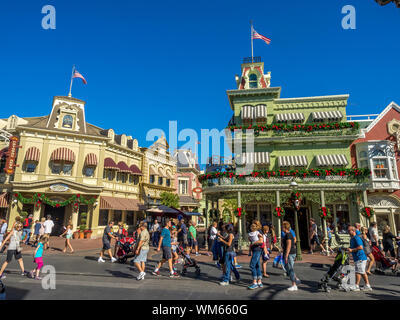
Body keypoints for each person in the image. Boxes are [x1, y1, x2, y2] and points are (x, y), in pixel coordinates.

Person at [347, 226, 372, 291]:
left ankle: (356, 286)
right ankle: (367, 285)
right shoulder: (352, 239)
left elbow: (360, 247)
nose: (348, 232)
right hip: (357, 257)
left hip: (360, 257)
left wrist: (352, 250)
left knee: (358, 272)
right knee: (362, 271)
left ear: (353, 231)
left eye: (349, 231)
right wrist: (348, 249)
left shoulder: (356, 238)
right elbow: (352, 247)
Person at [282, 221, 300, 291]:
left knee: (290, 269)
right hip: (290, 253)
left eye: (282, 227)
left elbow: (289, 245)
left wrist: (286, 255)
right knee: (289, 268)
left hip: (289, 253)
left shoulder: (288, 235)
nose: (281, 228)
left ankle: (294, 285)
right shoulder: (287, 234)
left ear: (285, 227)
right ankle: (296, 279)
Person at [247, 223, 264, 289]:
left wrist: (254, 242)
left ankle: (255, 282)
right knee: (257, 265)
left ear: (256, 227)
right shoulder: (250, 233)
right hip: (254, 249)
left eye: (253, 226)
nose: (252, 227)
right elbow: (250, 241)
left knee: (252, 265)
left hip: (257, 249)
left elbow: (261, 241)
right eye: (252, 226)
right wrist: (250, 250)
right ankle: (259, 281)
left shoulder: (257, 233)